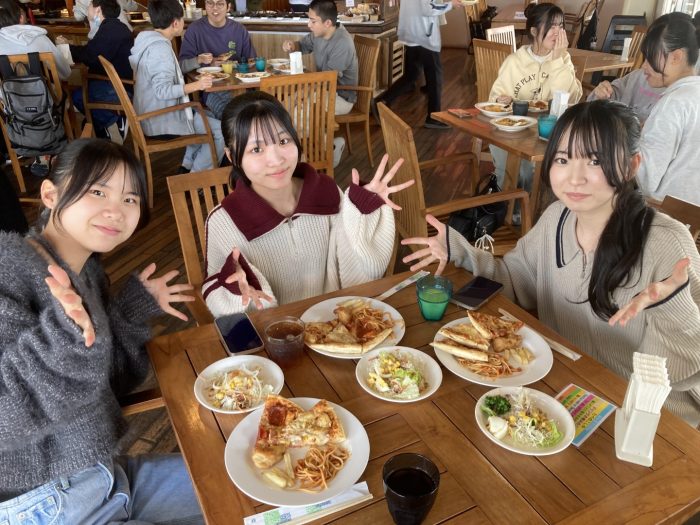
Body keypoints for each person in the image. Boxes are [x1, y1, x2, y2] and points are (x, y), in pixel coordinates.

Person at [402, 100, 700, 428]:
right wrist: (460, 250)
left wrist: (671, 309)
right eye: (562, 159)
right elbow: (513, 279)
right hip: (564, 390)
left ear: (631, 166)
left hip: (646, 419)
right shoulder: (557, 218)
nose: (574, 178)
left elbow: (680, 374)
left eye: (595, 160)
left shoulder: (666, 244)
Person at [0, 138, 204, 521]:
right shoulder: (8, 269)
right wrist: (62, 342)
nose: (116, 210)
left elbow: (100, 385)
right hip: (46, 504)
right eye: (98, 191)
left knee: (245, 484)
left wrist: (127, 313)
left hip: (105, 476)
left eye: (130, 198)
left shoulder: (88, 274)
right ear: (50, 194)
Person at [203, 91, 413, 317]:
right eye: (256, 149)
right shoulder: (223, 221)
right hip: (274, 333)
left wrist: (363, 213)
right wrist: (234, 291)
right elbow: (218, 298)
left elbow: (356, 275)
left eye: (283, 141)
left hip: (336, 325)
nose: (276, 160)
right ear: (232, 156)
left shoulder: (325, 192)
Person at [489, 2, 582, 193]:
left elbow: (570, 98)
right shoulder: (514, 61)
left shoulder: (563, 60)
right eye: (551, 27)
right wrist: (500, 100)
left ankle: (528, 206)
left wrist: (557, 61)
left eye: (560, 26)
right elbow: (494, 99)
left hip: (548, 134)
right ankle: (506, 205)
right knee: (517, 172)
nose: (558, 32)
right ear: (533, 31)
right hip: (512, 132)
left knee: (537, 172)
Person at [130, 0, 225, 173]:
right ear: (175, 23)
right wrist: (197, 85)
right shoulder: (160, 49)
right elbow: (162, 91)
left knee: (208, 116)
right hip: (160, 120)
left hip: (151, 114)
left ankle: (186, 167)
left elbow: (171, 70)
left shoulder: (149, 41)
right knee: (220, 131)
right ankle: (195, 180)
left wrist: (197, 60)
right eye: (182, 20)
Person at [0, 0, 72, 175]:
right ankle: (55, 149)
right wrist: (63, 48)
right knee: (58, 97)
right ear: (21, 17)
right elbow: (65, 73)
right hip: (49, 107)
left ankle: (39, 152)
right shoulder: (39, 38)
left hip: (11, 110)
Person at [635, 12, 700, 205]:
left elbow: (645, 180)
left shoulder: (673, 103)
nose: (644, 66)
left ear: (676, 57)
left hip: (665, 214)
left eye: (650, 57)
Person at [373, 0, 460, 129]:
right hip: (424, 35)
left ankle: (382, 101)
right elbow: (428, 9)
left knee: (411, 75)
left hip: (412, 32)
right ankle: (433, 117)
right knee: (435, 77)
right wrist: (450, 5)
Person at [56, 0, 133, 142]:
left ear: (98, 9)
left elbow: (90, 56)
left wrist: (66, 47)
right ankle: (106, 130)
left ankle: (115, 121)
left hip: (119, 88)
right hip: (114, 82)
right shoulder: (112, 27)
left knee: (77, 96)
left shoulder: (110, 30)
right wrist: (69, 47)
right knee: (84, 108)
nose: (87, 10)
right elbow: (91, 52)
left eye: (90, 6)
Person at [178, 0, 256, 119]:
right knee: (230, 116)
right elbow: (182, 66)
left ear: (228, 7)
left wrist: (234, 64)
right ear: (205, 5)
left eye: (220, 4)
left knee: (255, 113)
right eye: (210, 3)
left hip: (240, 87)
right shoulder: (194, 30)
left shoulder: (239, 30)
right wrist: (204, 62)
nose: (215, 8)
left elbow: (252, 62)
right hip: (210, 90)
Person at [281, 0, 357, 117]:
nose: (309, 25)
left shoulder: (343, 43)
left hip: (341, 98)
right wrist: (292, 45)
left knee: (298, 107)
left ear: (327, 23)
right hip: (322, 88)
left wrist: (300, 94)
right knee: (289, 102)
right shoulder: (320, 34)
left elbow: (327, 79)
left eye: (313, 21)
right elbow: (302, 45)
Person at [586, 68, 664, 122]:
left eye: (651, 59)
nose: (644, 65)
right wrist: (603, 91)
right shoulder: (638, 75)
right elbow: (613, 92)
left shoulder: (669, 103)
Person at [72, 0, 137, 39]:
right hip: (125, 33)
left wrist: (89, 13)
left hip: (101, 37)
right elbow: (134, 7)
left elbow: (78, 17)